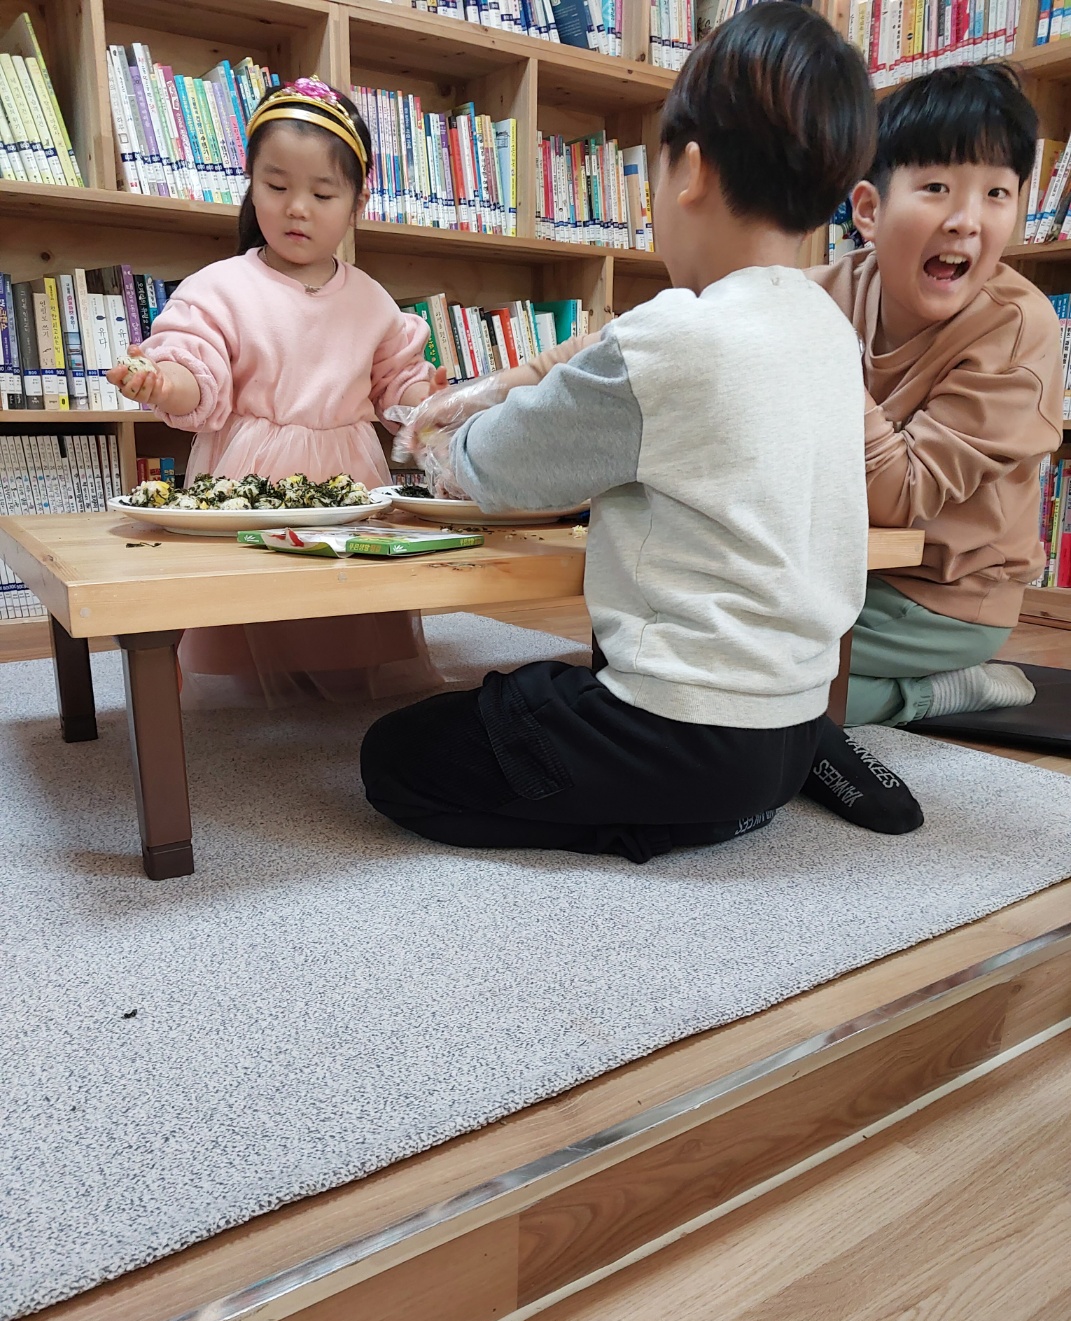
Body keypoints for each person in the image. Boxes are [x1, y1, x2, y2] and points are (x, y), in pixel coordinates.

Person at [360, 2, 890, 864]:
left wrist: (437, 437)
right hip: (795, 718)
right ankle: (737, 796)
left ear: (690, 171)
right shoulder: (828, 331)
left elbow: (495, 470)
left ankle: (668, 819)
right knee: (541, 693)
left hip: (680, 731)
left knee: (396, 754)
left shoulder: (675, 334)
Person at [107, 78, 445, 705]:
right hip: (249, 476)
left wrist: (430, 399)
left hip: (348, 479)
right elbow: (194, 373)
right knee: (247, 615)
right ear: (251, 184)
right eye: (277, 186)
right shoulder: (219, 287)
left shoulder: (371, 298)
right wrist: (161, 381)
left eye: (323, 193)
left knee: (346, 618)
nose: (297, 208)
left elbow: (398, 385)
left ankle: (345, 674)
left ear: (356, 201)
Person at [807, 64, 1064, 727]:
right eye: (936, 188)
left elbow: (897, 495)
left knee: (776, 683)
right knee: (701, 632)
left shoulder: (1016, 328)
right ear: (869, 210)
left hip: (944, 599)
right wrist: (534, 374)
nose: (965, 221)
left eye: (996, 194)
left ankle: (934, 692)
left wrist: (823, 361)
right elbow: (692, 325)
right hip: (838, 566)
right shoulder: (830, 288)